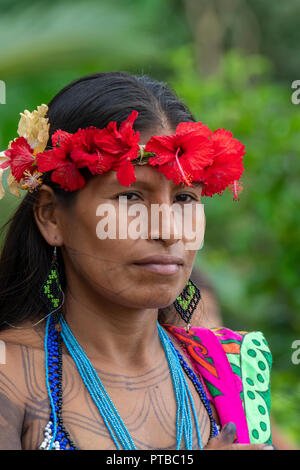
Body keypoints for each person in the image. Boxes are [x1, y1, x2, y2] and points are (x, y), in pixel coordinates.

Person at [0, 71, 274, 450]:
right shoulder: (10, 376)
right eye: (130, 197)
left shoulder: (233, 369)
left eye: (184, 199)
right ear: (51, 216)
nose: (168, 231)